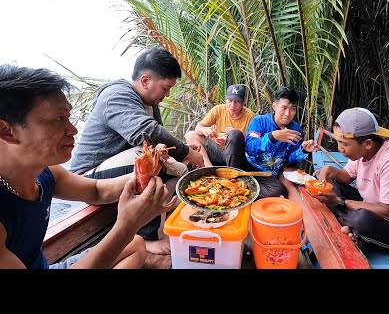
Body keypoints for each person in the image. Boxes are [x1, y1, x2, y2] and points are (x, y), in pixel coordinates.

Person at [0, 64, 177, 269]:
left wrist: (144, 173)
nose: (73, 130)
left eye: (68, 117)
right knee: (129, 238)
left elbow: (96, 190)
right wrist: (127, 226)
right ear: (7, 131)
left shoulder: (45, 175)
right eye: (58, 119)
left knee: (136, 244)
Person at [69, 46, 204, 255]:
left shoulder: (149, 101)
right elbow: (146, 132)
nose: (167, 95)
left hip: (123, 168)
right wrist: (187, 151)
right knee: (149, 159)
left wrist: (182, 155)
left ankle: (162, 217)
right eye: (165, 88)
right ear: (145, 81)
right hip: (89, 177)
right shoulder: (116, 95)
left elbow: (158, 137)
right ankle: (143, 238)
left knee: (182, 169)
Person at [311, 107, 389, 260]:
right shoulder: (362, 152)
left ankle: (356, 229)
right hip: (377, 209)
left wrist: (340, 202)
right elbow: (346, 176)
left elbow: (388, 214)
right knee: (332, 183)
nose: (340, 149)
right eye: (338, 142)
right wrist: (333, 171)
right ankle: (356, 231)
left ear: (368, 143)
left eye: (344, 144)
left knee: (362, 219)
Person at [225, 87, 319, 198]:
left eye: (292, 109)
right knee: (235, 135)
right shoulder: (260, 121)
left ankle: (240, 190)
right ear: (274, 106)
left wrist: (303, 150)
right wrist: (272, 137)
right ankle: (231, 181)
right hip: (245, 165)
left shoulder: (295, 129)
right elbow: (250, 149)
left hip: (266, 174)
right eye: (283, 108)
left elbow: (289, 161)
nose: (287, 114)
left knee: (279, 191)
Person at [184, 84, 256, 167]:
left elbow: (253, 144)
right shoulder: (218, 110)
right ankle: (208, 167)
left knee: (235, 135)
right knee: (190, 135)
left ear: (244, 102)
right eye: (230, 100)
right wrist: (205, 130)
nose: (232, 105)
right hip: (218, 150)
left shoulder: (251, 117)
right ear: (226, 100)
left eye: (237, 101)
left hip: (238, 155)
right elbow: (198, 128)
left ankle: (232, 171)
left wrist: (234, 140)